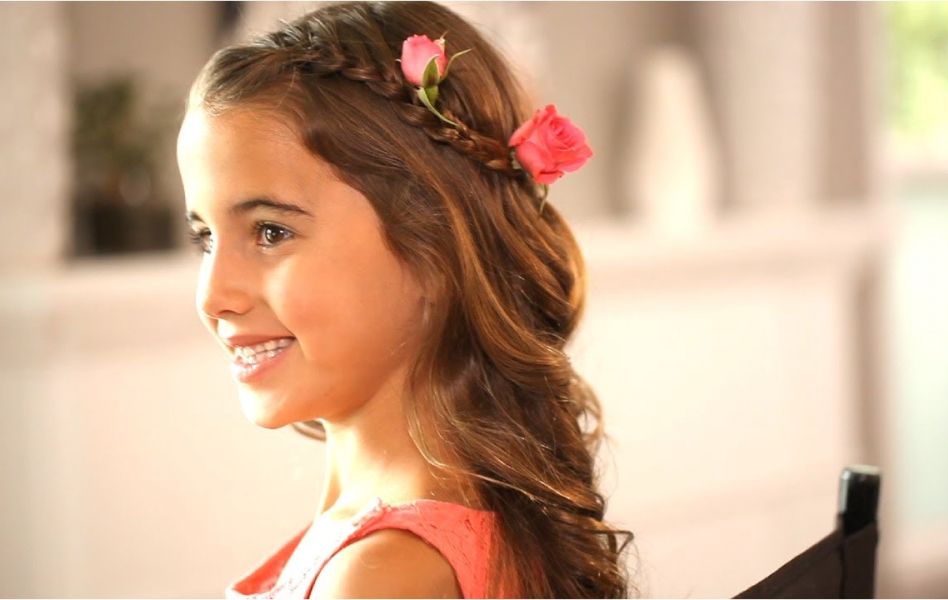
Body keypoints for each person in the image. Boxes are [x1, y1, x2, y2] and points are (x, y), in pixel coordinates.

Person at [176, 1, 634, 597]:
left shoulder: (380, 577)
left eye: (270, 232)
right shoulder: (394, 546)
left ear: (432, 253)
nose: (214, 296)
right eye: (205, 238)